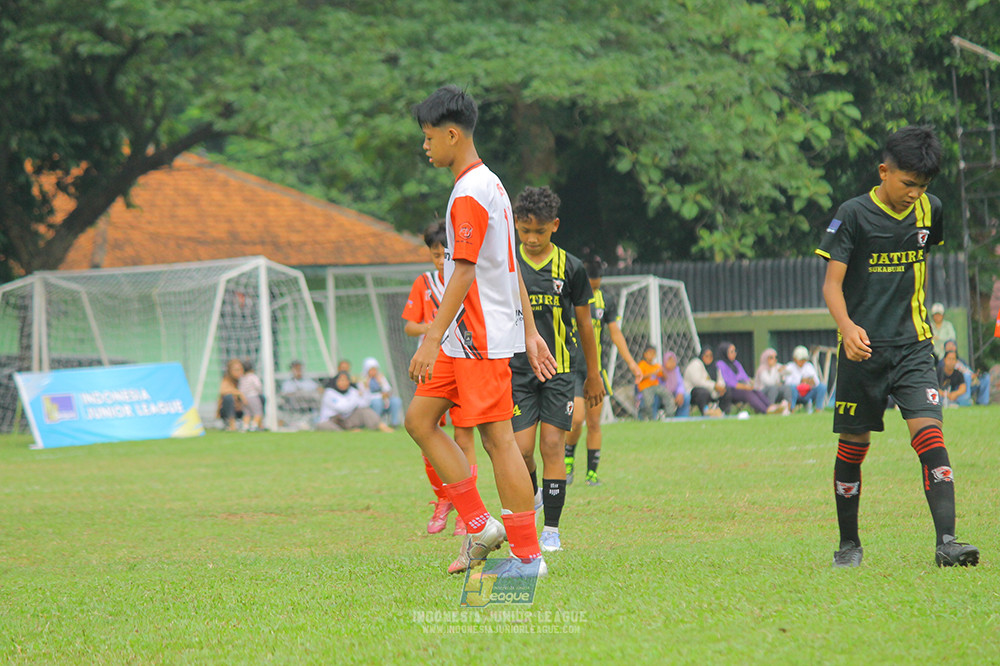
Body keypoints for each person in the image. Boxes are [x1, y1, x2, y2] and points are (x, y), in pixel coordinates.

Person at [403, 85, 557, 576]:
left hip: (478, 339)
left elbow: (467, 271)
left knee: (498, 441)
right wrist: (530, 331)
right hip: (462, 338)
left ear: (452, 134)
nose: (425, 146)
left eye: (429, 138)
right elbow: (508, 263)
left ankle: (528, 558)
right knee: (419, 420)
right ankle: (479, 526)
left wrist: (429, 337)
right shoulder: (489, 183)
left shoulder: (471, 191)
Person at [816, 124, 978, 568]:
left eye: (923, 186)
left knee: (929, 435)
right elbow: (831, 285)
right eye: (908, 183)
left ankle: (948, 541)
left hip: (913, 346)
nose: (915, 193)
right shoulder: (851, 214)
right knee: (854, 445)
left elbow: (920, 263)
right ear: (884, 171)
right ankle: (849, 545)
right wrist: (847, 328)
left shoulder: (931, 211)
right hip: (861, 349)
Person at [509, 185, 604, 552]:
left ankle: (550, 528)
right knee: (519, 449)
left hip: (560, 370)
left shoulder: (572, 268)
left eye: (540, 231)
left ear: (555, 226)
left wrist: (592, 374)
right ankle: (533, 495)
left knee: (552, 444)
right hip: (517, 369)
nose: (532, 239)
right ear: (516, 225)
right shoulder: (508, 264)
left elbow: (584, 325)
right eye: (525, 230)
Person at [401, 220, 477, 536]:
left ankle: (466, 510)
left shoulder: (466, 278)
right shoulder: (425, 282)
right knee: (426, 431)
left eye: (445, 253)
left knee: (464, 436)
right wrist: (432, 328)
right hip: (431, 364)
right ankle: (443, 497)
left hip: (464, 361)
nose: (440, 260)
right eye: (435, 254)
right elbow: (409, 325)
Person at [565, 256, 641, 486]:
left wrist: (631, 362)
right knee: (576, 419)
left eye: (596, 286)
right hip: (572, 369)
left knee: (594, 422)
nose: (593, 289)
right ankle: (568, 461)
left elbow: (615, 333)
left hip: (594, 371)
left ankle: (592, 473)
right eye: (590, 285)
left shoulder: (606, 300)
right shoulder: (568, 298)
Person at [716, 342, 786, 415]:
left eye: (735, 351)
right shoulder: (721, 364)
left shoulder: (736, 363)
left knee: (755, 390)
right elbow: (729, 382)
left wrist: (750, 384)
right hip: (730, 391)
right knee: (747, 393)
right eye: (731, 352)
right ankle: (766, 410)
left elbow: (744, 377)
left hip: (742, 387)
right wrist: (745, 387)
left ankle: (771, 407)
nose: (734, 353)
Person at [316, 371, 394, 433]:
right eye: (340, 380)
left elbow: (364, 404)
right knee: (322, 425)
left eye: (345, 380)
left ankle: (380, 426)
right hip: (332, 421)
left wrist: (366, 390)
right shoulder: (329, 393)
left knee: (365, 411)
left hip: (347, 420)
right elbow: (342, 408)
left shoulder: (352, 391)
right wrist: (356, 397)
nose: (343, 383)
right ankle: (346, 432)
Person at [683, 346, 730, 416]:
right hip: (693, 392)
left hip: (712, 392)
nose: (709, 358)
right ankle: (706, 412)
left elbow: (720, 379)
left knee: (727, 390)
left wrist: (721, 387)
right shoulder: (696, 364)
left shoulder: (714, 366)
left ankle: (722, 412)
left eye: (710, 356)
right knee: (703, 392)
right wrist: (714, 386)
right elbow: (698, 382)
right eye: (706, 356)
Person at [940, 339, 989, 406]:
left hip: (971, 382)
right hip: (958, 386)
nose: (951, 347)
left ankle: (983, 403)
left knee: (986, 377)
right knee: (966, 376)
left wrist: (974, 376)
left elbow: (969, 371)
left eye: (953, 345)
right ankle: (965, 400)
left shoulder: (961, 361)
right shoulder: (943, 362)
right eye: (949, 346)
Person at [361, 357, 403, 428]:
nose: (373, 372)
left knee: (396, 401)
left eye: (375, 369)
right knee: (377, 402)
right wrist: (367, 385)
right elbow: (364, 395)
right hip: (371, 402)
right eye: (371, 370)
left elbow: (387, 390)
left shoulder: (381, 378)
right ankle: (376, 424)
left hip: (384, 399)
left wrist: (381, 383)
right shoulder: (363, 380)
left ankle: (394, 423)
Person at [279, 360, 322, 429]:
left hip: (308, 410)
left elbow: (319, 390)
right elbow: (285, 395)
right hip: (293, 411)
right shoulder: (287, 383)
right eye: (295, 369)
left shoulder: (309, 382)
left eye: (299, 369)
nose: (297, 371)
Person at [784, 345, 828, 412]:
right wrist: (801, 381)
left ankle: (818, 409)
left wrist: (811, 382)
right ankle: (791, 409)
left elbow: (816, 381)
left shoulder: (809, 366)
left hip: (808, 392)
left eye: (804, 360)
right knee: (791, 388)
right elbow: (787, 383)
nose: (802, 362)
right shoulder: (790, 367)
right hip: (797, 393)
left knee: (822, 386)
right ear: (795, 359)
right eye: (800, 360)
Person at [636, 345, 672, 420]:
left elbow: (664, 378)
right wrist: (653, 373)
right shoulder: (642, 365)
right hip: (645, 387)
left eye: (653, 353)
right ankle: (649, 418)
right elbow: (640, 377)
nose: (652, 355)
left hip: (655, 385)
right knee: (649, 401)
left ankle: (670, 414)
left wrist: (663, 371)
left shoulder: (656, 366)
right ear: (645, 354)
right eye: (650, 353)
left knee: (667, 394)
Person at [217, 358, 245, 431]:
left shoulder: (245, 380)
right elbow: (223, 390)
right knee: (228, 397)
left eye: (240, 369)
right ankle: (231, 424)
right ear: (230, 371)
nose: (239, 372)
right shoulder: (226, 380)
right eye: (236, 370)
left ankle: (256, 422)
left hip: (242, 408)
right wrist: (239, 394)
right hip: (229, 410)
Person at [660, 351, 690, 417]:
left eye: (673, 361)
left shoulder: (676, 371)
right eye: (669, 361)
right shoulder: (660, 372)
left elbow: (680, 384)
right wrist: (669, 397)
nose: (672, 364)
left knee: (686, 396)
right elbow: (660, 387)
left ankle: (681, 418)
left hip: (674, 394)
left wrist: (680, 393)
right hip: (663, 395)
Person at [238, 358, 264, 431]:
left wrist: (242, 397)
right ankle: (254, 425)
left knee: (247, 413)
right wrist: (260, 392)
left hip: (245, 398)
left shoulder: (242, 378)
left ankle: (245, 426)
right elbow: (258, 386)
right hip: (253, 396)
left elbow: (240, 388)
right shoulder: (253, 377)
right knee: (258, 412)